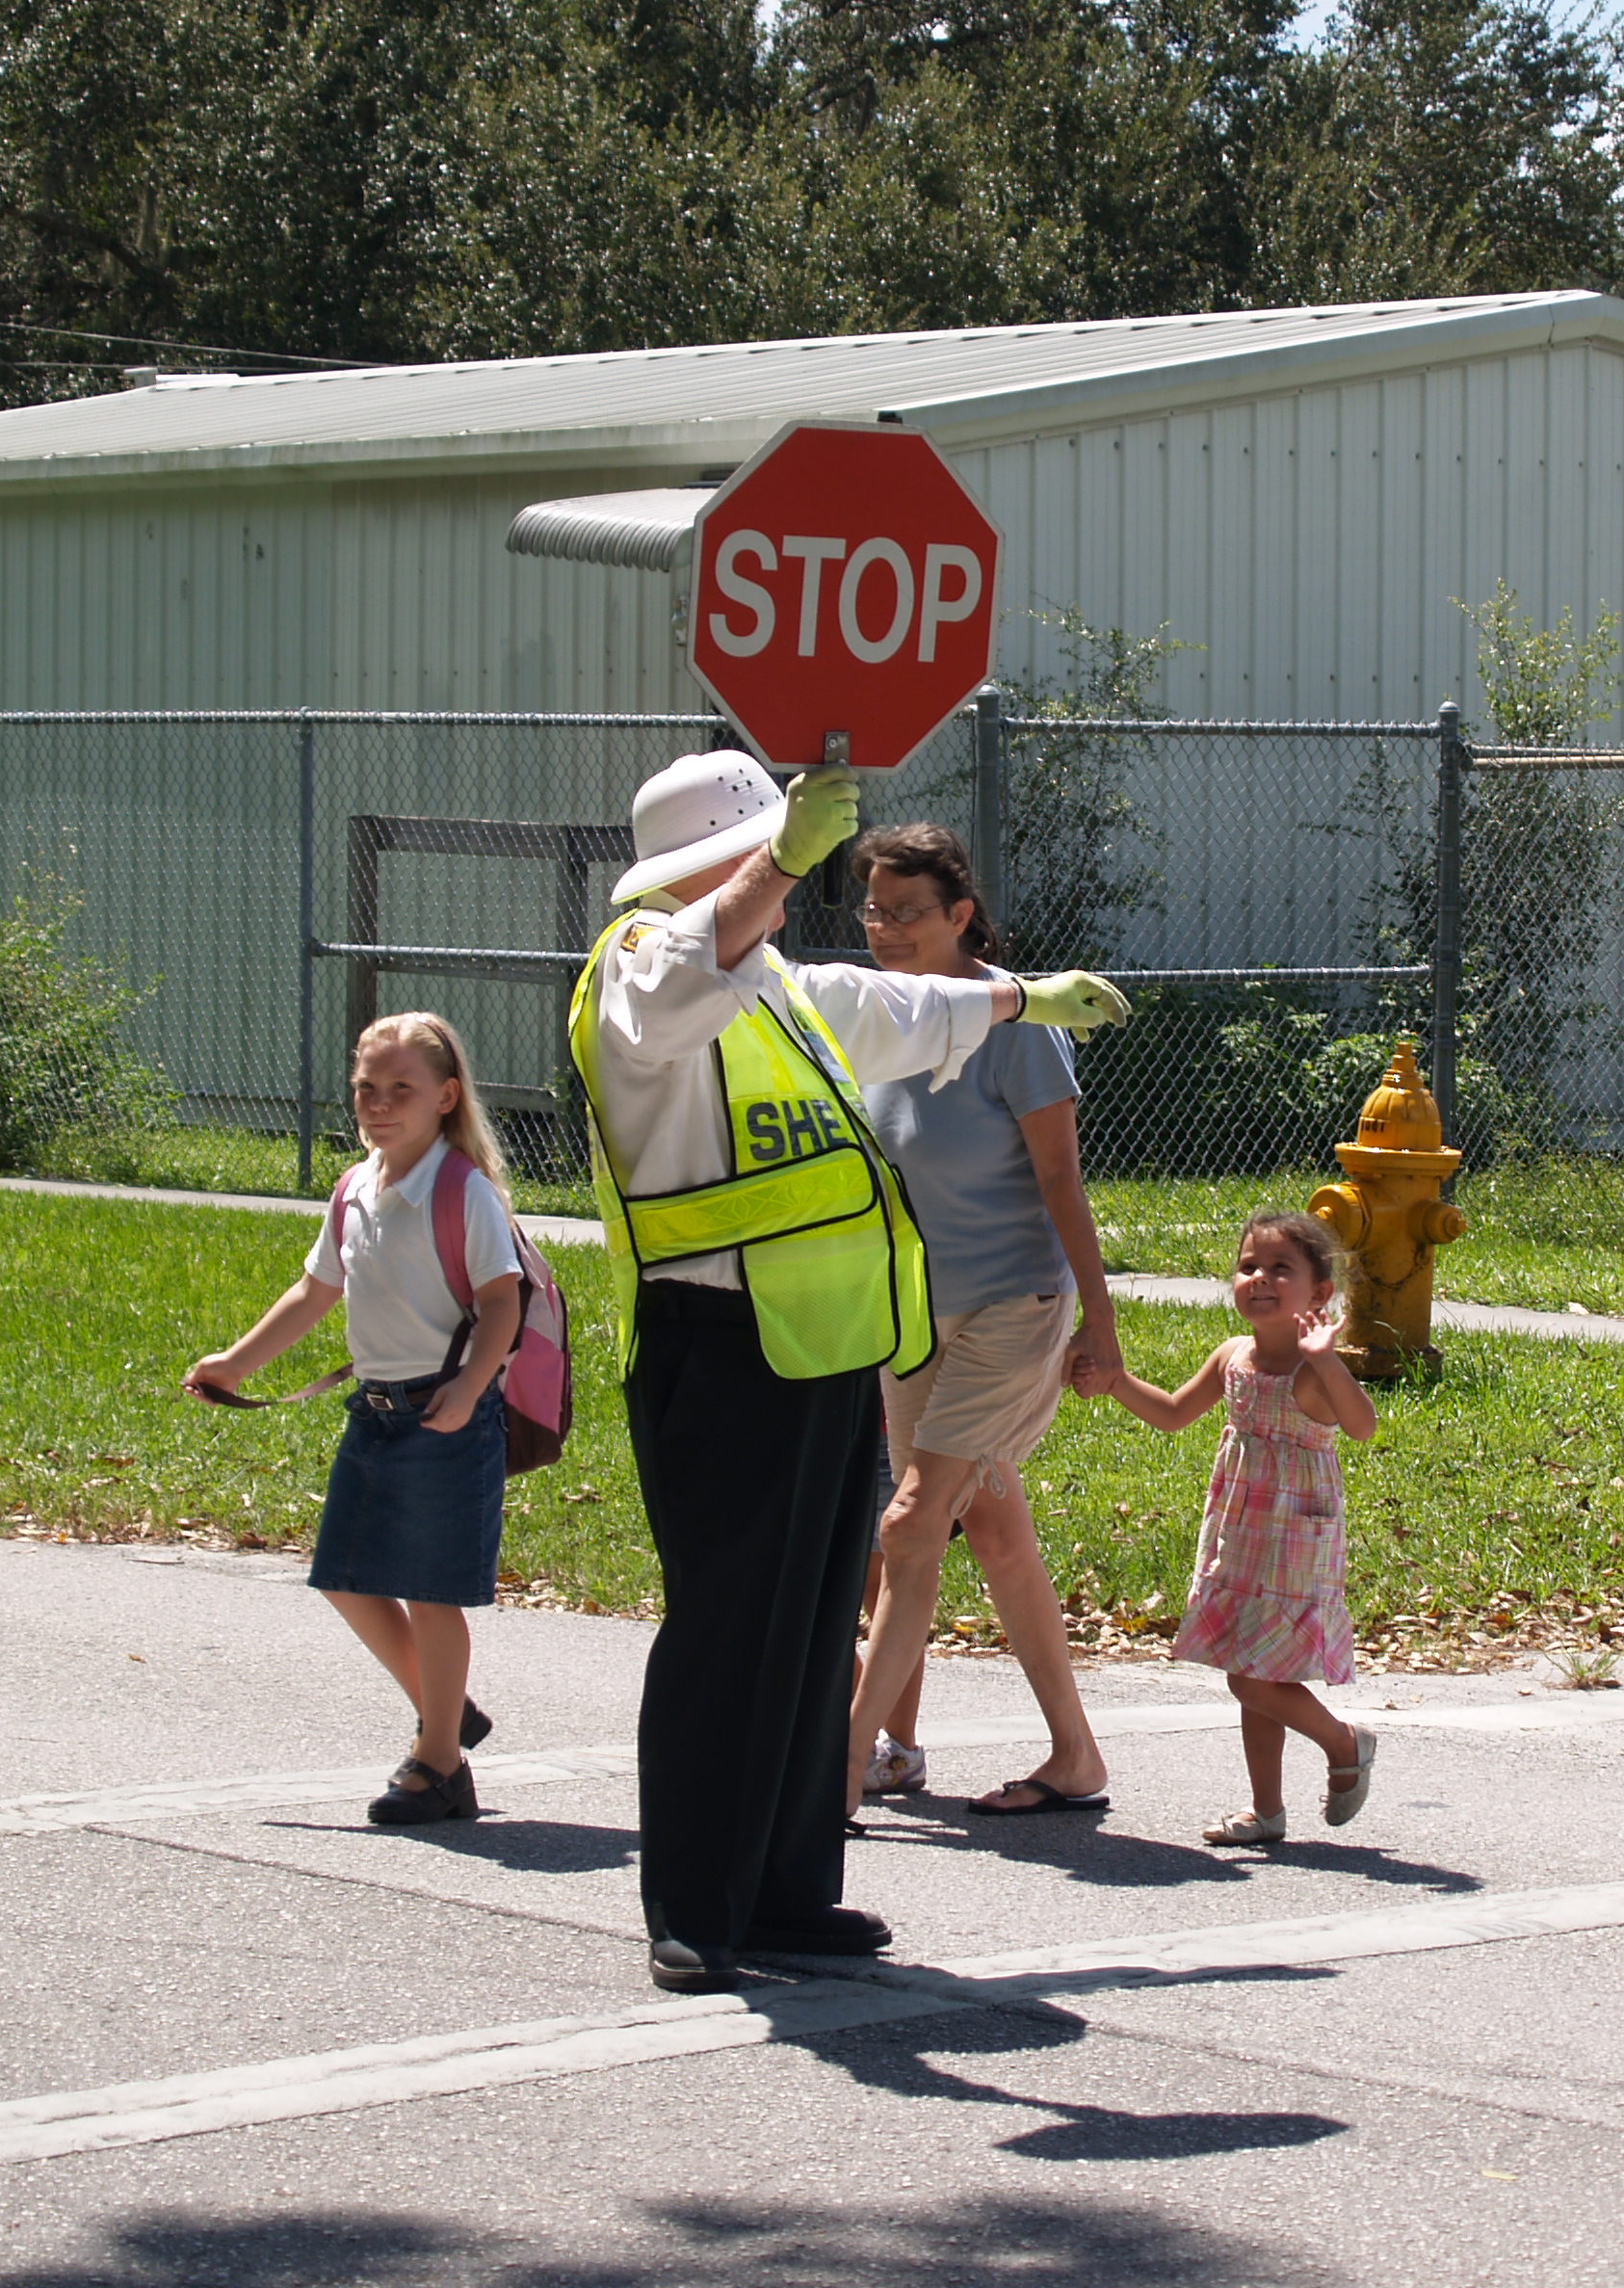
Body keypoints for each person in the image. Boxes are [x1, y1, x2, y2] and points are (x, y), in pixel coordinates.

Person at [566, 750, 1130, 1994]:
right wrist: (778, 865)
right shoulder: (642, 965)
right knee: (728, 1634)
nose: (802, 876)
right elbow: (672, 1000)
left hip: (820, 1347)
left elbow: (888, 1012)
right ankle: (696, 1907)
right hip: (715, 1343)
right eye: (772, 849)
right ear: (722, 861)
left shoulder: (768, 976)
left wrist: (1021, 1003)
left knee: (814, 1628)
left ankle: (785, 1893)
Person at [186, 1013, 522, 1828]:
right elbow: (315, 1291)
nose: (378, 1102)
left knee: (432, 1594)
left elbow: (501, 1302)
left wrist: (471, 1388)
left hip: (444, 1416)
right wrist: (235, 1362)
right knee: (343, 1575)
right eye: (366, 1088)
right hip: (374, 1416)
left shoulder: (461, 1189)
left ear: (445, 1097)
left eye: (400, 1089)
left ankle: (439, 1764)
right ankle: (444, 1712)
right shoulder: (356, 1188)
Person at [842, 823, 1117, 1819]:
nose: (886, 928)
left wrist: (1100, 1321)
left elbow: (1060, 1179)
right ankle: (1074, 1758)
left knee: (911, 1523)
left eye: (908, 910)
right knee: (992, 1533)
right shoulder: (875, 1022)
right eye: (873, 908)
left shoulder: (1017, 1021)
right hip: (916, 1320)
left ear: (961, 916)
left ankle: (843, 1765)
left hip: (1012, 1308)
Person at [1079, 1210, 1379, 1846]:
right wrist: (1114, 1381)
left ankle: (1344, 1742)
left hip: (1294, 1545)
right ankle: (1265, 1811)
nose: (1261, 1279)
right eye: (1249, 1267)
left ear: (1320, 1293)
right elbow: (1170, 1414)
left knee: (1253, 1677)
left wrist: (1329, 1362)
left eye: (1281, 1269)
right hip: (1241, 1537)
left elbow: (1362, 1426)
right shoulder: (1232, 1358)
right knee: (1252, 1677)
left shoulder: (1312, 1368)